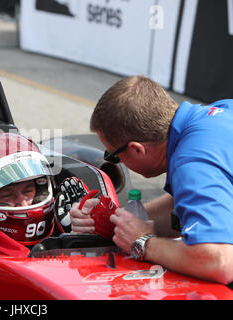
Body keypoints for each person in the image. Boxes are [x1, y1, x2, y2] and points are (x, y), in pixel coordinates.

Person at [70, 75, 233, 285]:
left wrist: (143, 242)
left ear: (137, 149)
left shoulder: (192, 163)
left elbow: (219, 261)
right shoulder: (219, 114)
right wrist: (124, 222)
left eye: (113, 155)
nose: (117, 161)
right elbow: (190, 204)